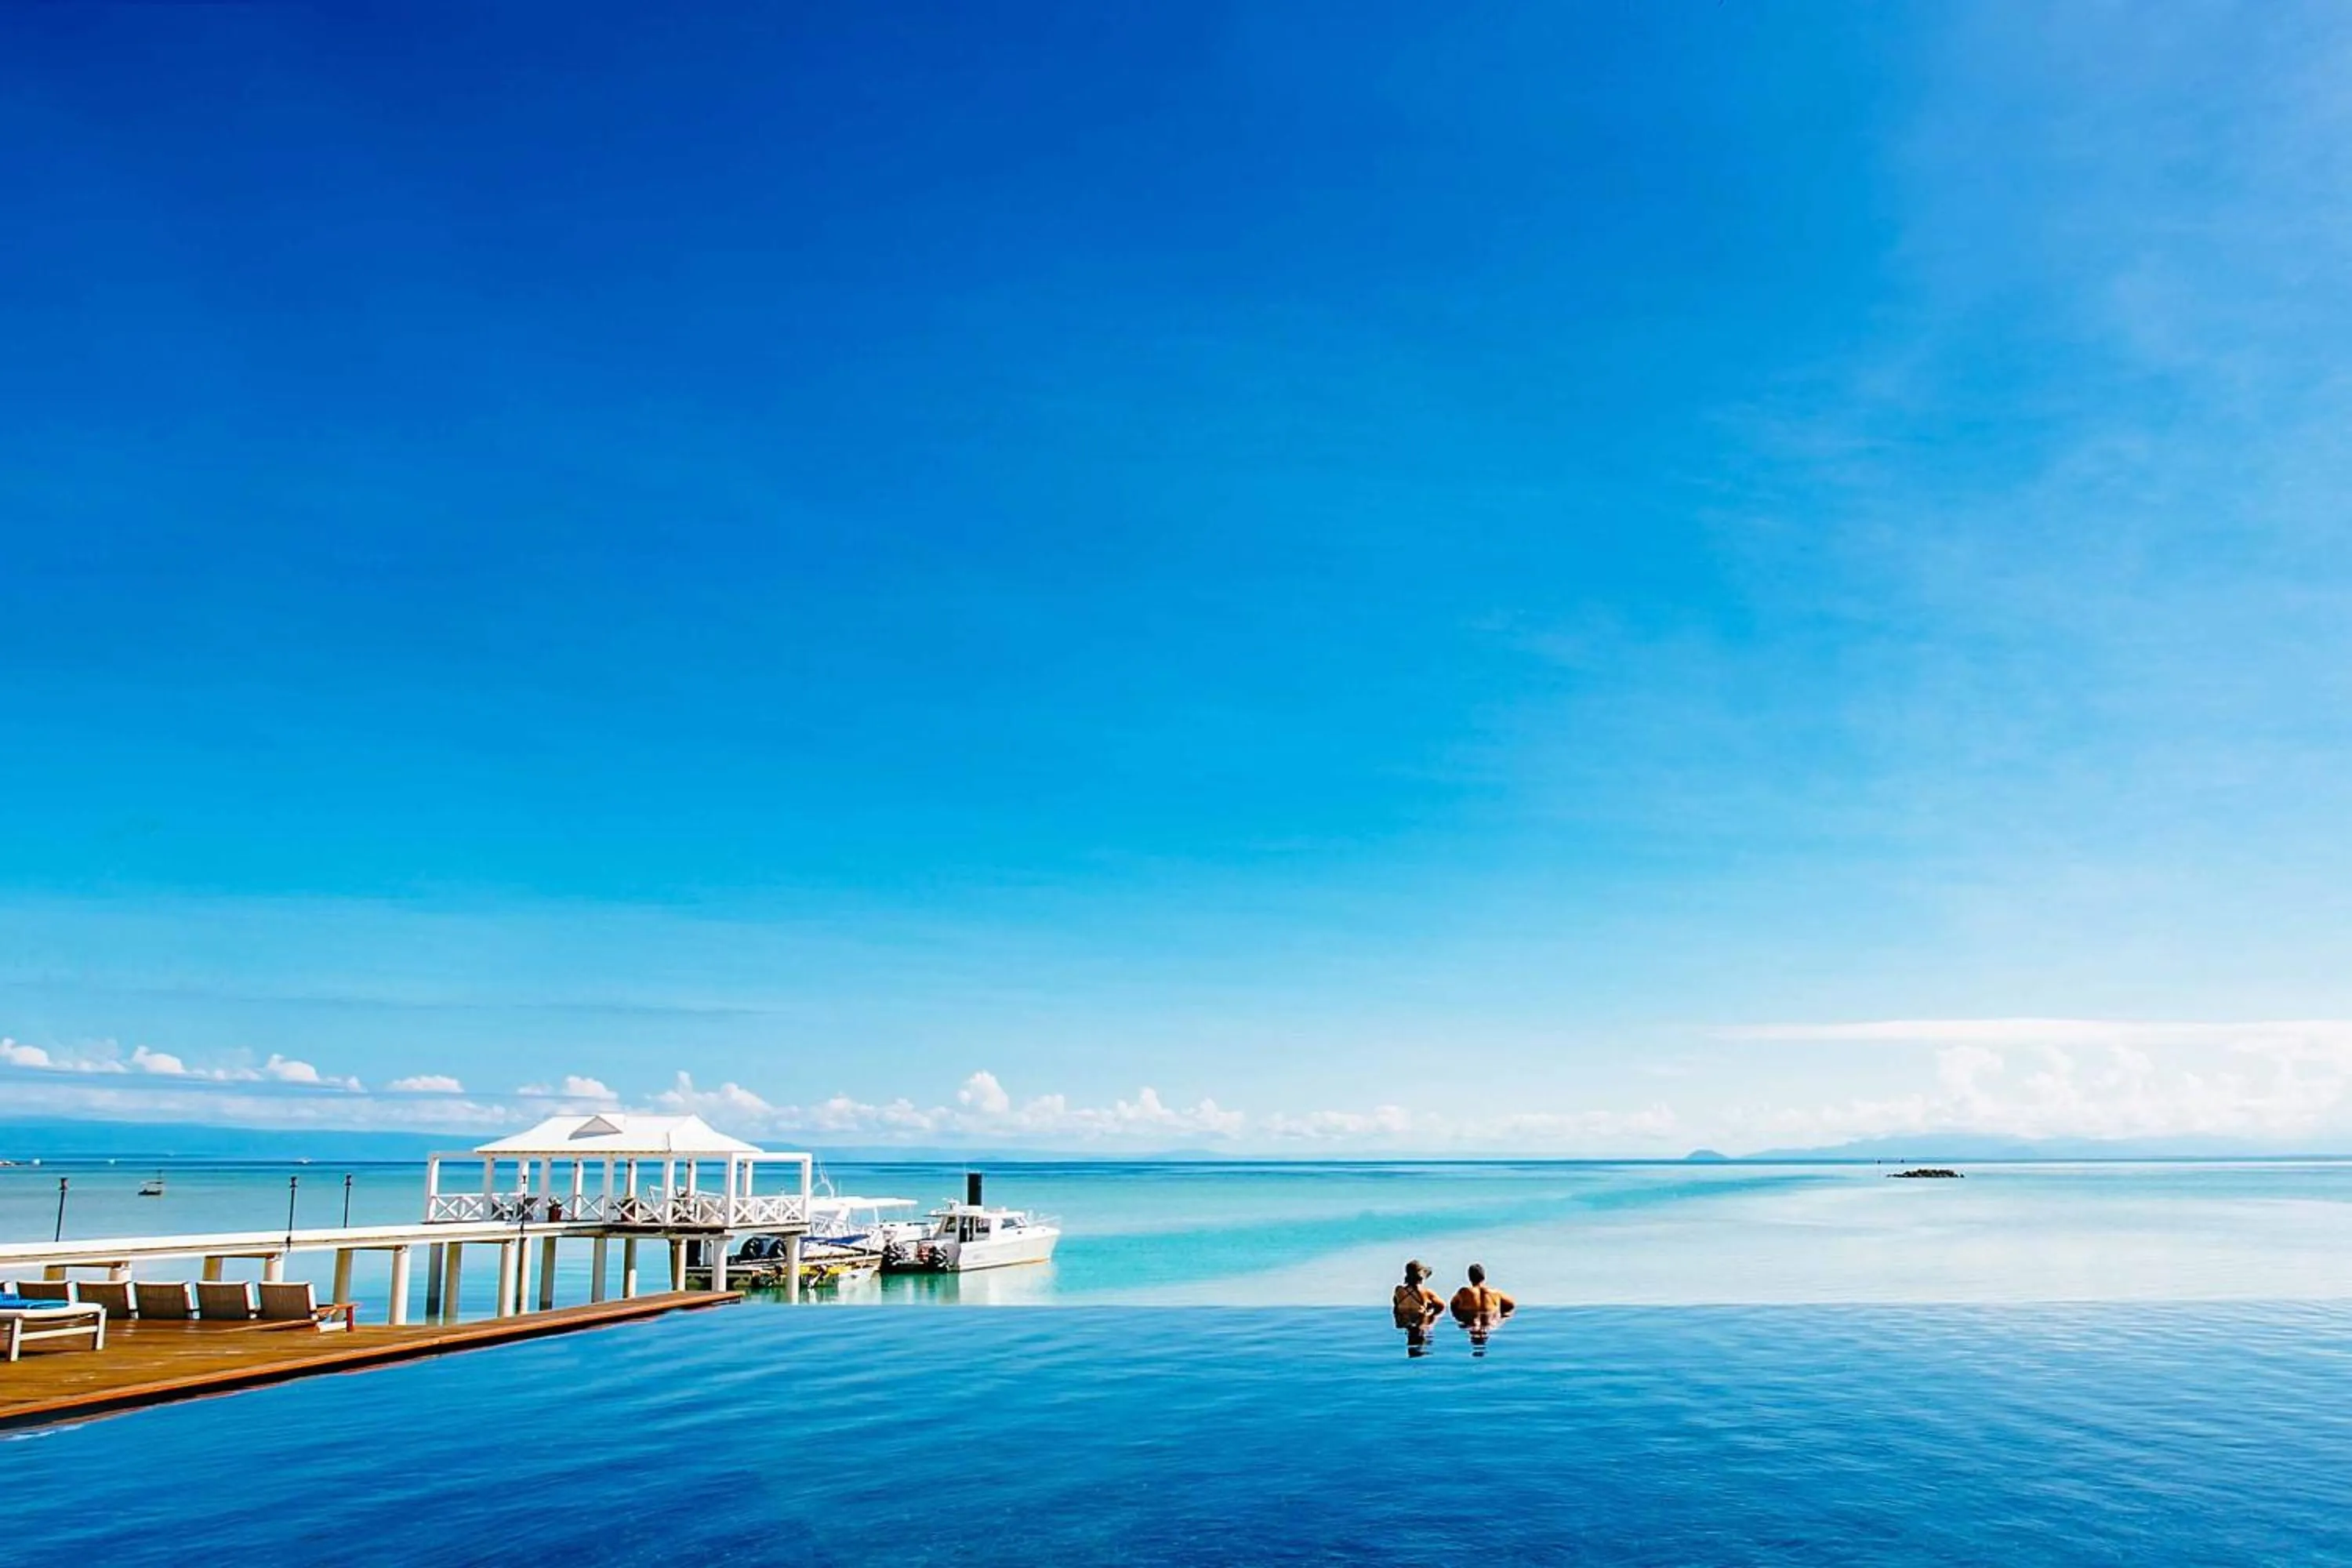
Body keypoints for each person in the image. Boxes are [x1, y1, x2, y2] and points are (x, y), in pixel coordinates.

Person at [1450, 1261, 1515, 1326]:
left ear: (1470, 1278)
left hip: (1471, 1320)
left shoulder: (1464, 1292)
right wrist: (1501, 1317)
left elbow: (1452, 1304)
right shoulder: (1495, 1293)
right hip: (1491, 1322)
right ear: (1484, 1277)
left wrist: (1459, 1318)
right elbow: (1511, 1305)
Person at [1392, 1259, 1445, 1329]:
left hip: (1404, 1323)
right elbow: (1442, 1306)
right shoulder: (1425, 1292)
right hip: (1420, 1325)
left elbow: (1396, 1305)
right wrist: (1431, 1317)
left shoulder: (1399, 1291)